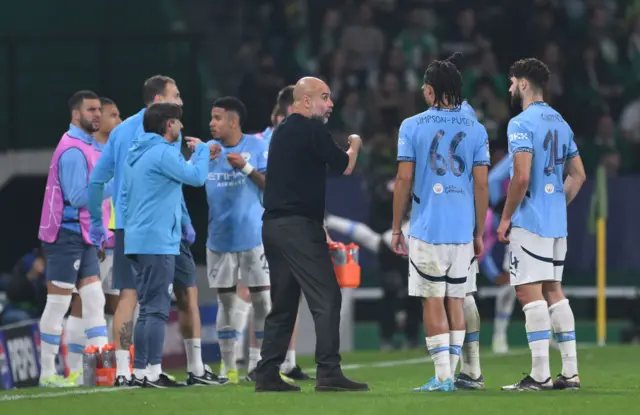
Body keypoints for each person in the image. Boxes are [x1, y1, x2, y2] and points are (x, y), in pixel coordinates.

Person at [88, 75, 223, 386]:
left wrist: (98, 223)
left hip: (131, 226)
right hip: (157, 230)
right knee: (170, 297)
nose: (181, 102)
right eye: (176, 96)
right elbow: (184, 177)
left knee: (132, 297)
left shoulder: (124, 136)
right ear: (161, 102)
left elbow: (98, 181)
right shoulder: (164, 135)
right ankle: (170, 369)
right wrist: (185, 217)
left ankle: (126, 372)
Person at [255, 77, 367, 393]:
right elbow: (344, 165)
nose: (330, 104)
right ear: (305, 101)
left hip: (273, 226)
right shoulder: (311, 129)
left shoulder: (282, 131)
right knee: (327, 297)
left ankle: (267, 373)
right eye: (325, 97)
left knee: (284, 303)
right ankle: (329, 372)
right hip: (298, 227)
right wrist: (355, 142)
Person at [391, 53, 490, 393]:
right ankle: (460, 371)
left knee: (431, 298)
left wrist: (394, 227)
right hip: (462, 229)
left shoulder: (412, 125)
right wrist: (479, 230)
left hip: (427, 227)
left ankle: (444, 377)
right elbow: (481, 184)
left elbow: (403, 180)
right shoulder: (476, 129)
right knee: (456, 298)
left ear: (431, 91)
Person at [498, 58, 586, 391]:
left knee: (528, 291)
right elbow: (578, 174)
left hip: (530, 221)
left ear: (522, 84)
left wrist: (506, 217)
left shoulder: (520, 123)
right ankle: (571, 372)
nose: (509, 88)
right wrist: (556, 204)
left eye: (511, 82)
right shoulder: (561, 123)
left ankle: (539, 375)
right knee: (553, 290)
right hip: (555, 223)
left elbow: (521, 176)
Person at [122, 102, 208, 388]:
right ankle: (153, 371)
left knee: (148, 308)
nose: (182, 127)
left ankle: (142, 371)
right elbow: (196, 177)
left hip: (138, 239)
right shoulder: (160, 153)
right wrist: (204, 152)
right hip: (156, 241)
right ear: (168, 124)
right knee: (157, 309)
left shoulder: (137, 154)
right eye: (179, 123)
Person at [37, 90, 112, 387]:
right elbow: (79, 196)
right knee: (58, 304)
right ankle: (47, 374)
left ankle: (100, 372)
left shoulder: (88, 146)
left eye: (99, 110)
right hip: (65, 235)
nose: (97, 114)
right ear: (75, 114)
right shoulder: (72, 150)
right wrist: (113, 184)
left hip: (85, 235)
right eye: (90, 110)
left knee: (95, 300)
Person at [204, 96, 271, 384]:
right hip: (219, 239)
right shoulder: (208, 151)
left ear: (233, 121)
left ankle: (258, 365)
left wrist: (245, 167)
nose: (211, 123)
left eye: (217, 118)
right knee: (227, 304)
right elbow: (189, 176)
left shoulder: (256, 147)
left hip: (253, 237)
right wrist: (199, 156)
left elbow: (272, 186)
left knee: (262, 302)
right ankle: (228, 368)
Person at [64, 97, 122, 384]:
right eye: (114, 115)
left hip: (116, 239)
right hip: (92, 239)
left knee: (114, 305)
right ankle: (75, 368)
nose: (118, 121)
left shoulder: (114, 154)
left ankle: (105, 367)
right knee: (81, 302)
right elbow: (79, 198)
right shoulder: (85, 153)